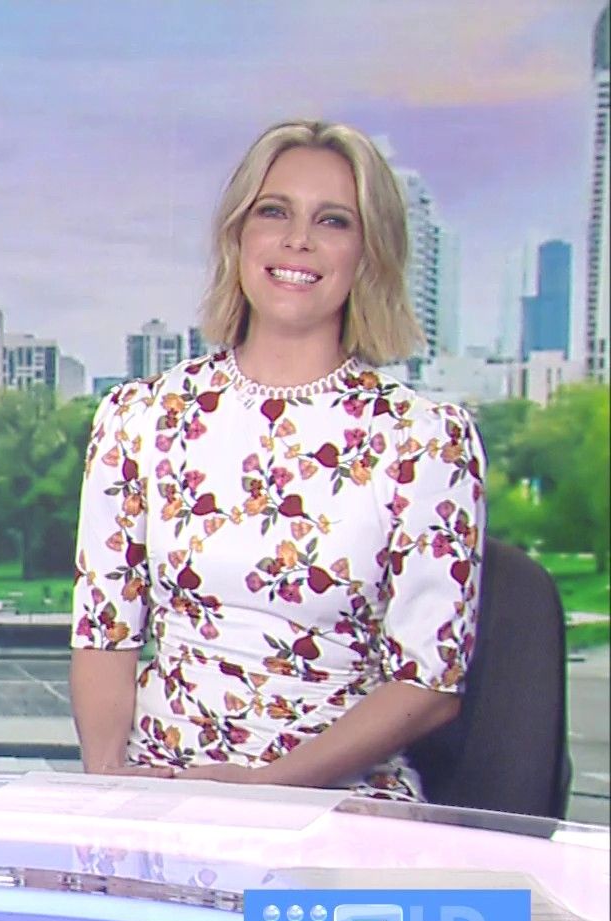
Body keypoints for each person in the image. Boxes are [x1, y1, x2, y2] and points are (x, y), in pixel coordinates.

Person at [69, 119, 486, 800]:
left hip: (337, 797)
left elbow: (430, 684)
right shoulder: (140, 417)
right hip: (160, 785)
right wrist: (110, 787)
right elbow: (103, 633)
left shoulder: (425, 438)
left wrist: (265, 789)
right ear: (237, 236)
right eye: (274, 212)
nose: (299, 240)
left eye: (333, 221)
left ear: (369, 253)